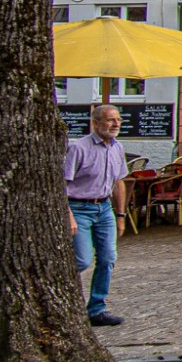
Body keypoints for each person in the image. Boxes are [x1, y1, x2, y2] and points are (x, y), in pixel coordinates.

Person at [63, 104, 127, 327]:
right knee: (81, 260)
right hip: (78, 207)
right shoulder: (78, 148)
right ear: (96, 123)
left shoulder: (117, 147)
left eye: (118, 120)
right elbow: (61, 184)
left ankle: (97, 309)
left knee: (108, 258)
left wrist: (121, 214)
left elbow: (119, 182)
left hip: (104, 208)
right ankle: (63, 303)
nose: (115, 124)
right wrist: (68, 215)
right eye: (110, 120)